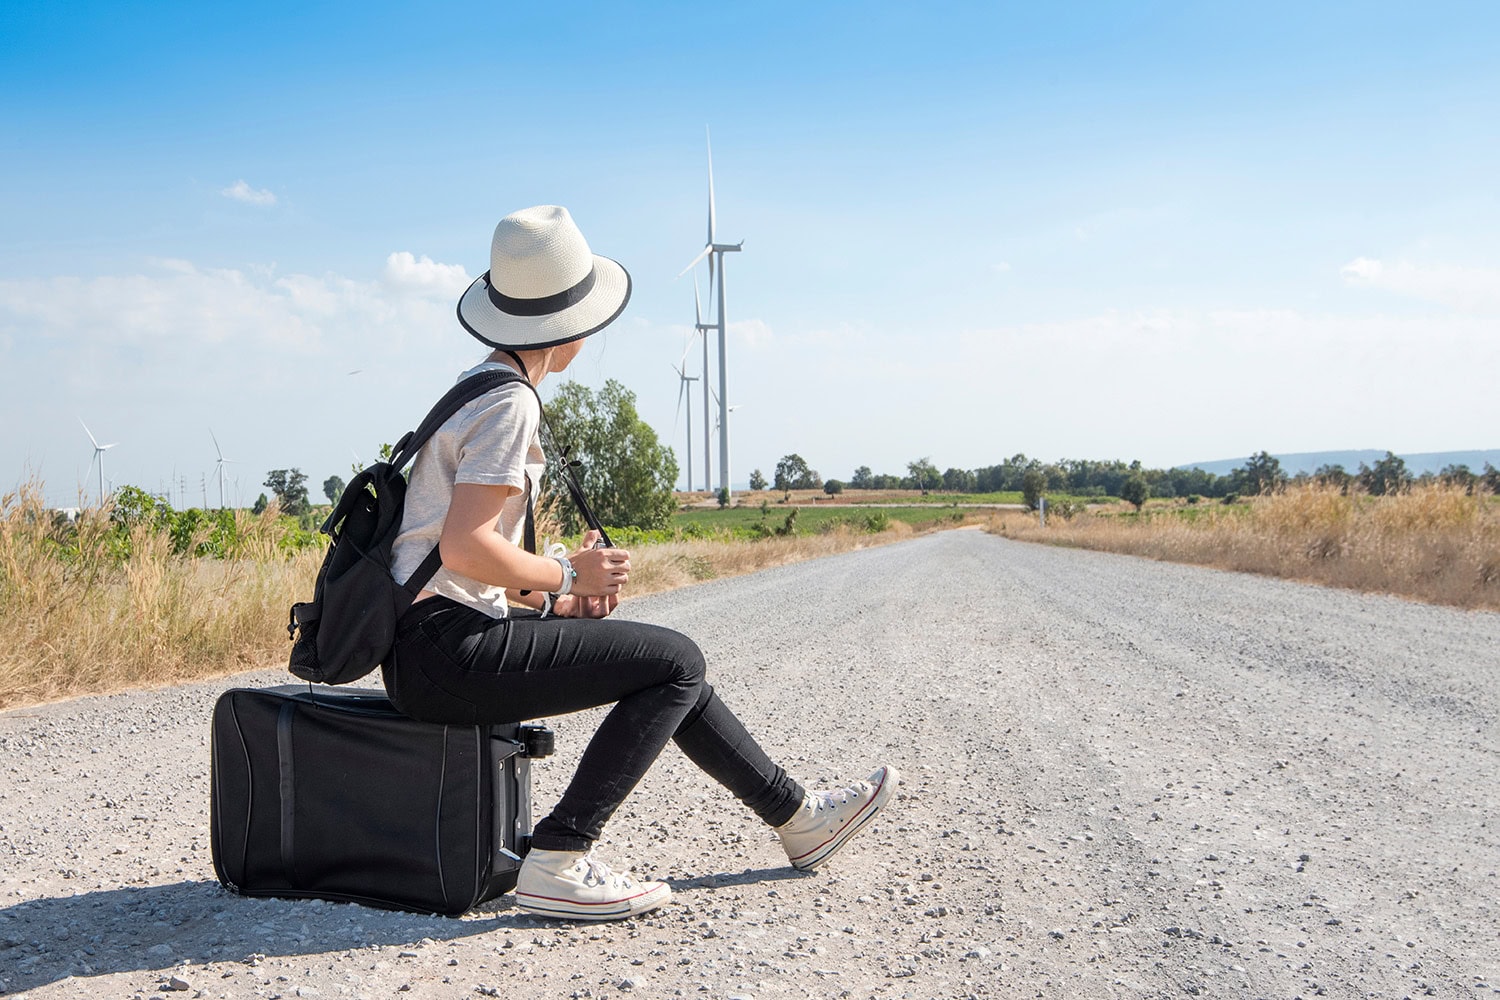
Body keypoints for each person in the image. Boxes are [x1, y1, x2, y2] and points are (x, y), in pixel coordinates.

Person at [382, 205, 897, 921]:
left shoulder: (478, 387)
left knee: (669, 665)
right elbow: (466, 546)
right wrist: (570, 575)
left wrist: (552, 602)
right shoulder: (508, 405)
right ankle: (560, 857)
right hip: (447, 651)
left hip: (436, 642)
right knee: (676, 660)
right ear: (569, 325)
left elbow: (455, 564)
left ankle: (799, 817)